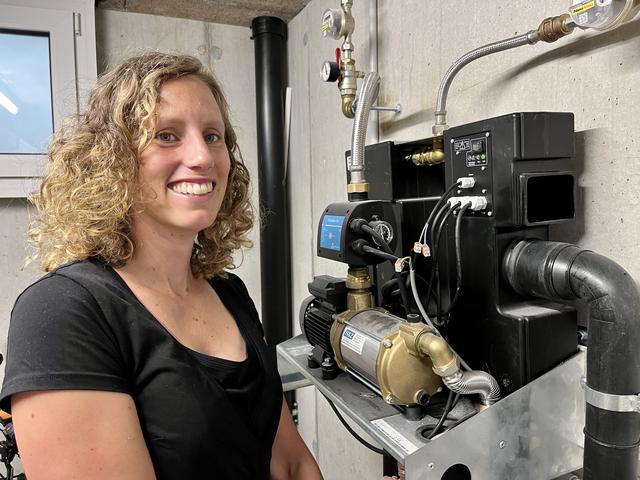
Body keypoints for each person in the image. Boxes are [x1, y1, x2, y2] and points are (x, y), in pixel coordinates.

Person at [0, 52, 323, 479]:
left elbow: (290, 462)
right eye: (167, 135)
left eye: (213, 135)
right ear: (113, 160)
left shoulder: (227, 291)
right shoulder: (63, 313)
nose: (203, 157)